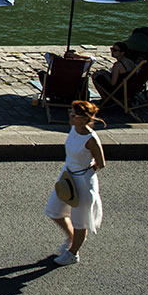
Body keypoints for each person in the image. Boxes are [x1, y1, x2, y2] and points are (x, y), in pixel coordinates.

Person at [45, 100, 105, 266]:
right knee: (54, 211)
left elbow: (100, 163)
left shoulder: (91, 139)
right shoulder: (73, 129)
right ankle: (71, 238)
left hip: (83, 181)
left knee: (80, 221)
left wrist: (86, 175)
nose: (70, 117)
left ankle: (73, 253)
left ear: (84, 119)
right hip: (67, 176)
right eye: (70, 112)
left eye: (74, 115)